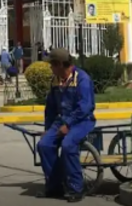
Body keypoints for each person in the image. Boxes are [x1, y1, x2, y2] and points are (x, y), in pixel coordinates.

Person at [36, 48, 96, 202]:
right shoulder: (55, 80)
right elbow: (50, 109)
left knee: (68, 145)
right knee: (44, 145)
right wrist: (48, 129)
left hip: (82, 121)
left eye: (52, 65)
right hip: (61, 121)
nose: (50, 68)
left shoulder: (82, 79)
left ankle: (76, 188)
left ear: (60, 64)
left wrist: (69, 125)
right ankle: (55, 187)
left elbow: (85, 107)